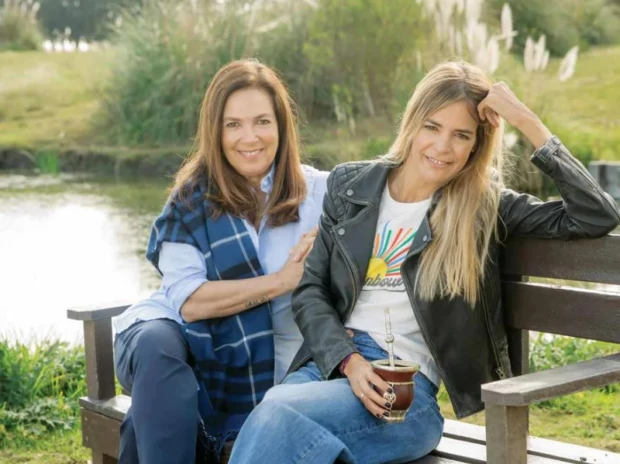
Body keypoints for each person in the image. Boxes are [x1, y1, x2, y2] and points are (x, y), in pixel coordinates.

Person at [229, 61, 620, 464]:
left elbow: (596, 214)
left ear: (476, 145)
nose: (442, 146)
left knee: (276, 414)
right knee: (277, 415)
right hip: (334, 366)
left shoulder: (483, 207)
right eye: (432, 127)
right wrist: (350, 361)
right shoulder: (351, 187)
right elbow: (311, 291)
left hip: (405, 394)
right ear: (412, 123)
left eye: (461, 135)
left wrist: (524, 119)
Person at [112, 59, 328, 464]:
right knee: (159, 350)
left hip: (253, 368)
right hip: (169, 336)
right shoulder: (190, 200)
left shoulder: (319, 195)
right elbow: (190, 303)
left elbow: (397, 191)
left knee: (151, 418)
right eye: (233, 124)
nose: (250, 137)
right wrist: (282, 281)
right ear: (216, 131)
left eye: (262, 121)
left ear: (282, 127)